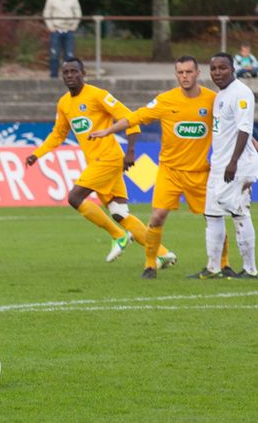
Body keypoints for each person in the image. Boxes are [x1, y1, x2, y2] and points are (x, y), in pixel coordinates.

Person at [26, 58, 176, 266]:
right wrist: (37, 154)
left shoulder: (98, 95)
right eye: (66, 73)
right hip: (96, 162)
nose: (69, 76)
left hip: (108, 159)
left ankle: (118, 236)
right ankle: (162, 253)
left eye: (74, 72)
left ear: (83, 73)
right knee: (119, 212)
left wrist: (130, 151)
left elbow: (129, 117)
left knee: (74, 197)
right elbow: (58, 135)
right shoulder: (64, 103)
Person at [89, 56, 214, 279]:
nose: (184, 76)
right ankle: (150, 265)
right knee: (157, 217)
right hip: (170, 171)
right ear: (176, 75)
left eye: (188, 72)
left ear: (197, 73)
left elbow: (233, 124)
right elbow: (133, 117)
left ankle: (220, 264)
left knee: (212, 217)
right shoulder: (165, 100)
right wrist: (108, 131)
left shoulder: (212, 100)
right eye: (180, 72)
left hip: (199, 172)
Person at [187, 53, 258, 279]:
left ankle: (250, 269)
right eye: (214, 69)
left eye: (223, 68)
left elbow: (245, 129)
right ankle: (213, 267)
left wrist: (234, 162)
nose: (217, 72)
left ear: (233, 69)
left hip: (236, 166)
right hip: (219, 165)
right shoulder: (221, 95)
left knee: (239, 213)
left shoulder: (241, 93)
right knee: (212, 214)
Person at [42, 0, 82, 79]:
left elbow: (78, 13)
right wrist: (51, 27)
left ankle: (69, 77)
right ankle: (53, 76)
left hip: (69, 30)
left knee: (69, 55)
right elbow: (47, 13)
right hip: (56, 30)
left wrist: (74, 26)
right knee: (54, 54)